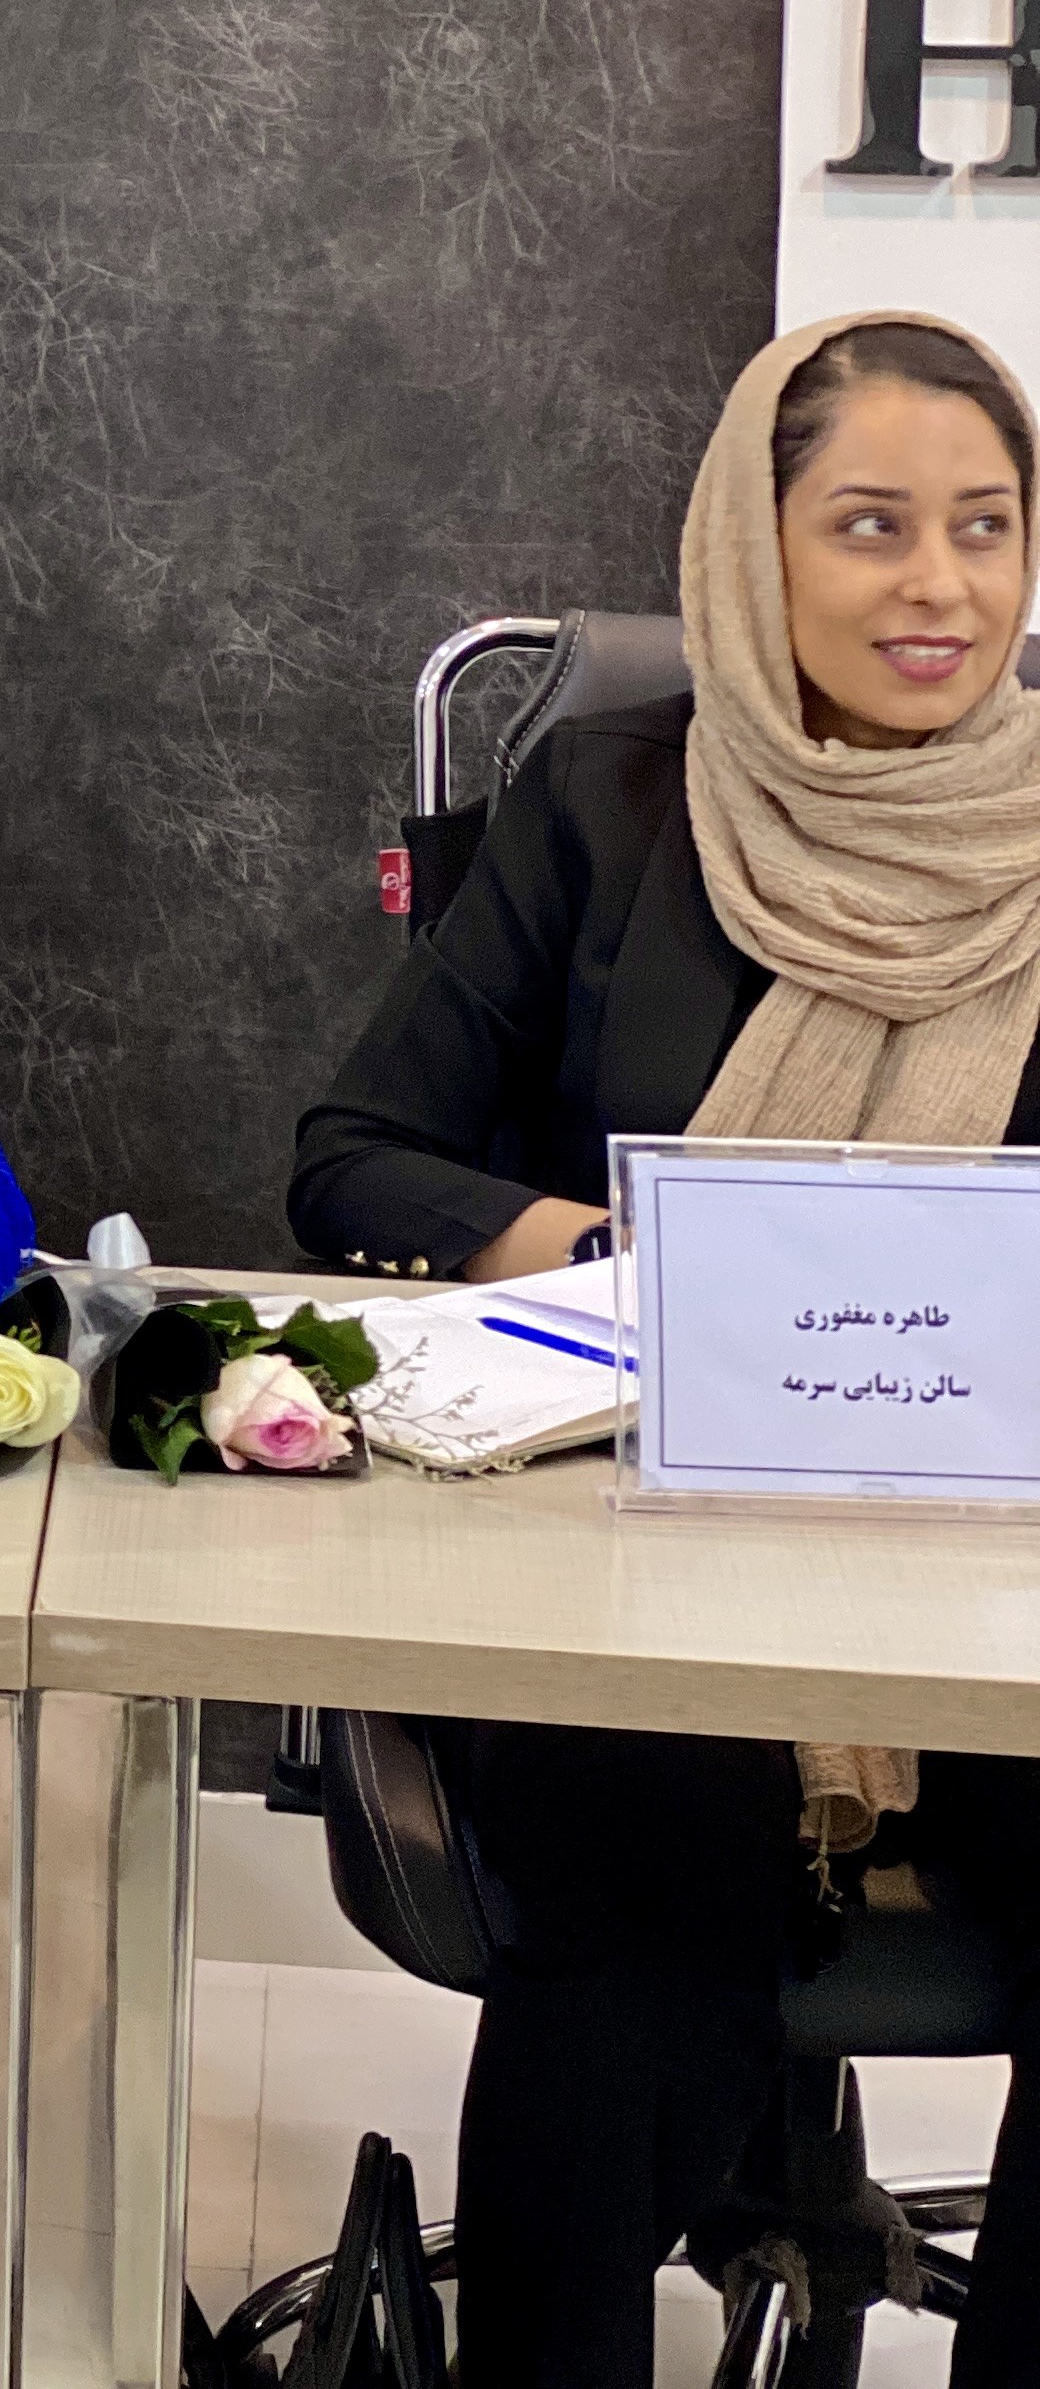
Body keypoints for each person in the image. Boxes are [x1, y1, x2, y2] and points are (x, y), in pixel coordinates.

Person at [292, 310, 1040, 2388]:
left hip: (990, 1585)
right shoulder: (613, 805)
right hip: (625, 1570)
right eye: (871, 524)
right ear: (749, 545)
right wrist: (633, 1263)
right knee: (634, 1923)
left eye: (986, 525)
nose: (940, 583)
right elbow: (353, 1161)